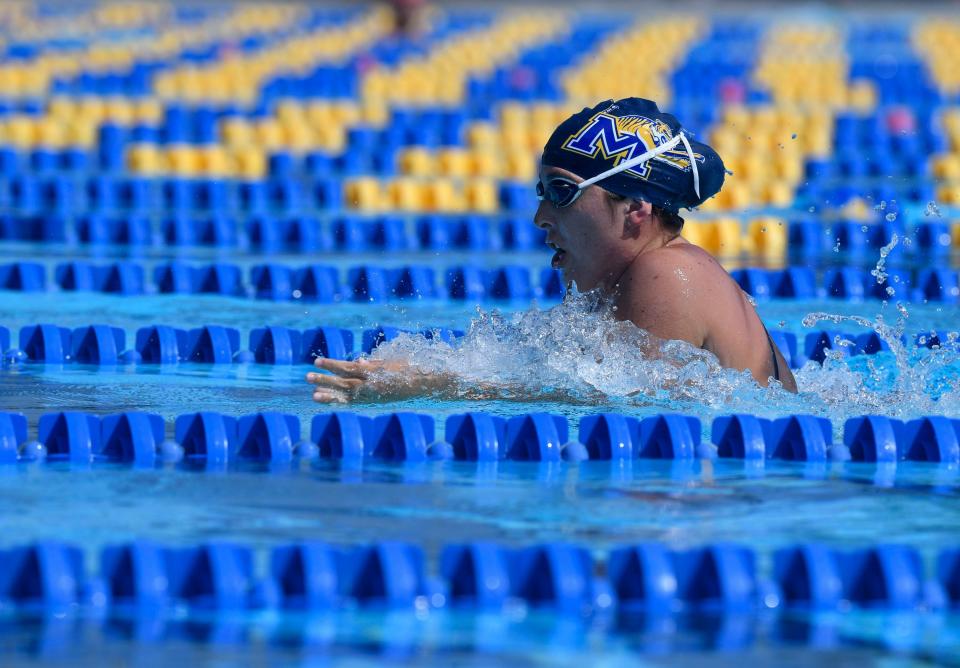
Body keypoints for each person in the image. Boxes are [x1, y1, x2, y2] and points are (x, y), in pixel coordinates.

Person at [307, 97, 797, 403]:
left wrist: (429, 383)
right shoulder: (657, 269)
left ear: (636, 209)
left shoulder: (666, 275)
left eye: (561, 193)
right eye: (541, 194)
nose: (542, 217)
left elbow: (628, 404)